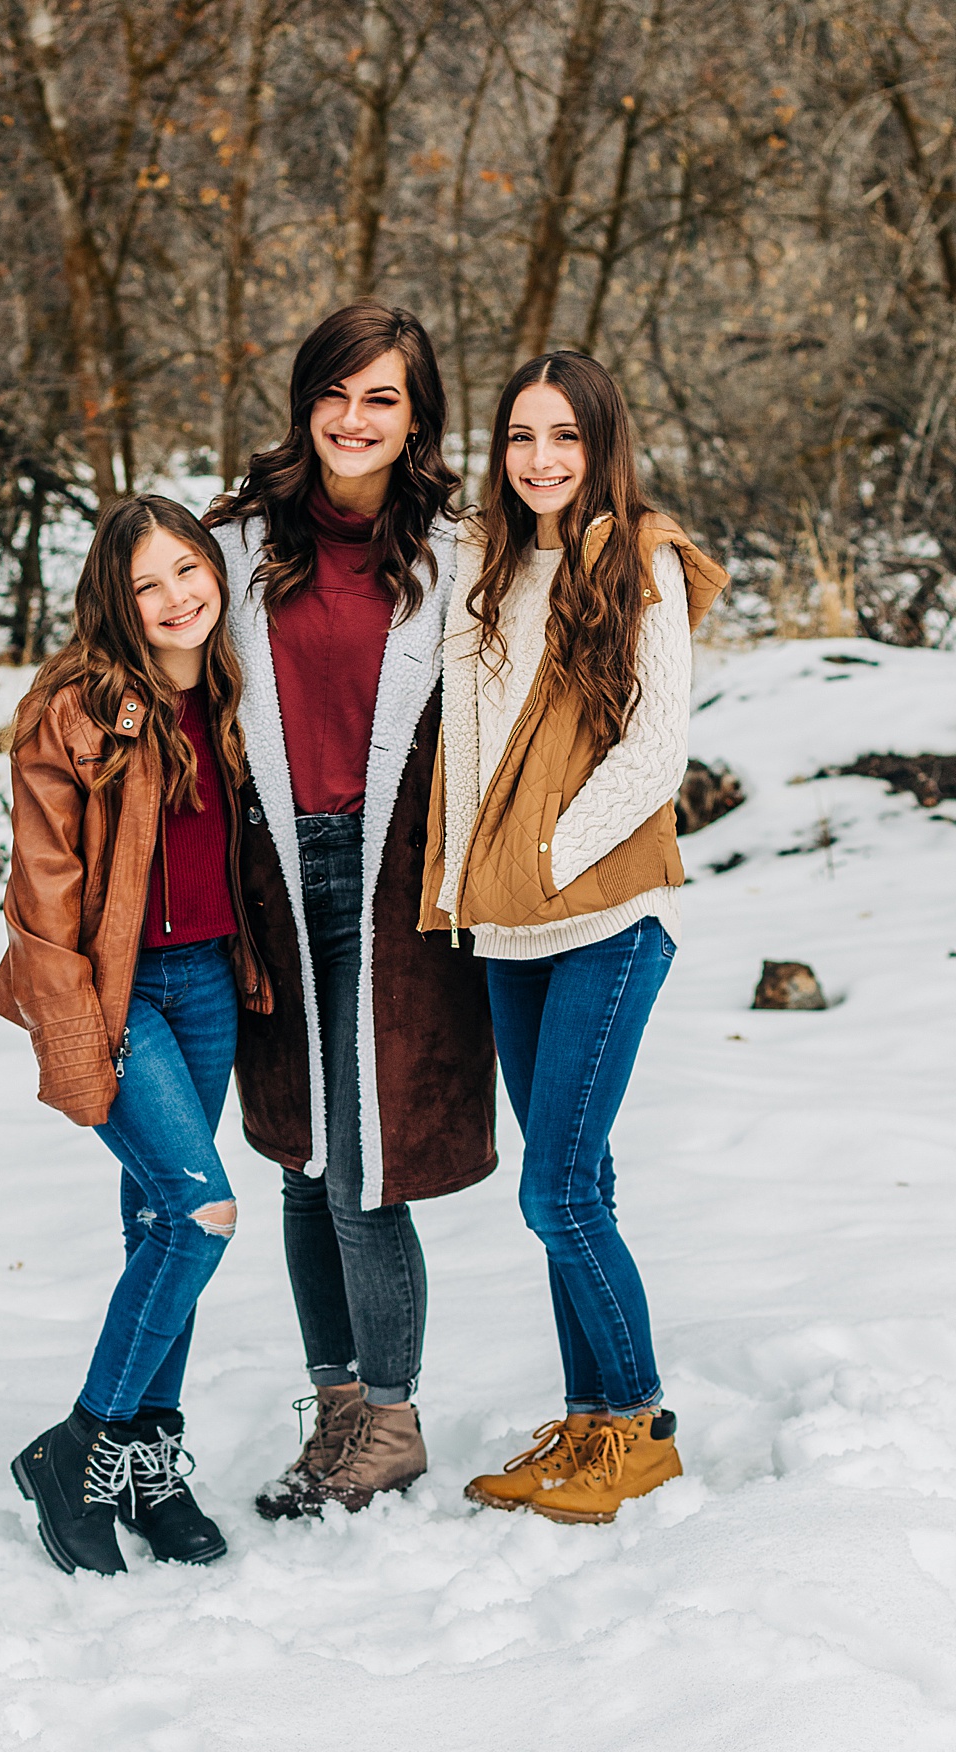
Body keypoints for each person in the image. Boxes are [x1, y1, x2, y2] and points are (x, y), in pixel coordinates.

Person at [420, 351, 728, 1524]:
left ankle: (638, 1420)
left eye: (565, 437)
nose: (541, 459)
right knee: (579, 1179)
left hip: (608, 914)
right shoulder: (486, 568)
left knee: (554, 1192)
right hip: (504, 929)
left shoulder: (639, 555)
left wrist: (546, 859)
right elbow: (466, 735)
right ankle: (592, 1424)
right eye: (520, 437)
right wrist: (472, 878)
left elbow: (656, 749)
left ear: (602, 445)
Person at [208, 302, 497, 1518]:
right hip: (271, 876)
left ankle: (393, 1419)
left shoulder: (463, 553)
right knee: (295, 1154)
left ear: (418, 414)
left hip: (398, 887)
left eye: (383, 398)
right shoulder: (232, 544)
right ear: (304, 401)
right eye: (335, 392)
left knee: (365, 1169)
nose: (354, 419)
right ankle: (334, 1410)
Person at [0, 495, 271, 1575]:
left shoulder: (239, 690)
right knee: (202, 1215)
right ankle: (80, 1446)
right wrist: (74, 1033)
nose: (175, 597)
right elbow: (44, 889)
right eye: (147, 583)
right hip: (118, 997)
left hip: (206, 985)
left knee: (157, 1227)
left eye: (188, 570)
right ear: (115, 597)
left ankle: (150, 1459)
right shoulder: (73, 710)